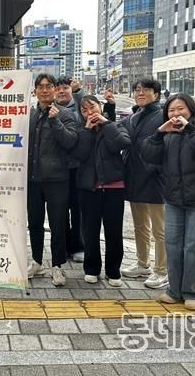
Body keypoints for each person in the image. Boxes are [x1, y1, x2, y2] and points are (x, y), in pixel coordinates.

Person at [141, 93, 195, 310]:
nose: (176, 113)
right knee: (173, 245)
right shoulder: (167, 133)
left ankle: (192, 293)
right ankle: (174, 290)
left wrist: (189, 129)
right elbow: (148, 154)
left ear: (190, 110)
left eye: (180, 109)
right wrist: (159, 133)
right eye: (171, 110)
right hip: (174, 198)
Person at [27, 74, 78, 286]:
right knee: (34, 223)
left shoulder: (65, 114)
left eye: (49, 86)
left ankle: (57, 265)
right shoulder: (30, 114)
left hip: (57, 179)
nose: (45, 90)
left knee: (58, 224)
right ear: (35, 91)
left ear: (55, 90)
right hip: (33, 180)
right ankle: (37, 262)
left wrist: (55, 120)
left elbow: (71, 141)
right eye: (41, 87)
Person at [74, 95, 130, 286]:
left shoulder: (115, 125)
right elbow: (80, 154)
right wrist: (87, 131)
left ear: (100, 107)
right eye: (84, 111)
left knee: (114, 231)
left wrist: (106, 124)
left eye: (92, 108)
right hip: (88, 188)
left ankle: (113, 271)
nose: (90, 113)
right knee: (90, 230)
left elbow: (122, 143)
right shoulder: (81, 130)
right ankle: (92, 268)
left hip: (114, 187)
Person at [119, 79, 168, 289]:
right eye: (137, 89)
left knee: (160, 230)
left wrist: (154, 169)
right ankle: (142, 263)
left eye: (146, 90)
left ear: (156, 94)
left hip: (155, 180)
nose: (140, 93)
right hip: (134, 178)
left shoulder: (162, 115)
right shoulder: (133, 116)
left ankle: (162, 271)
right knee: (140, 226)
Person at [54, 76, 85, 262]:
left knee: (78, 208)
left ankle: (79, 245)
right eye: (58, 88)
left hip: (79, 167)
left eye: (65, 88)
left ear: (71, 90)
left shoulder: (81, 108)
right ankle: (63, 245)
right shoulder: (51, 109)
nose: (61, 91)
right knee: (60, 209)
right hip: (58, 168)